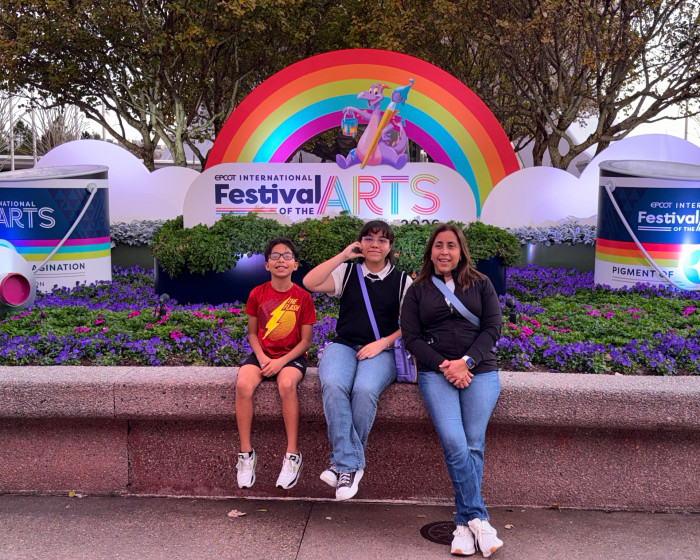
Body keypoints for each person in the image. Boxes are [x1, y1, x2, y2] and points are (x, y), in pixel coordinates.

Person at [400, 224, 503, 558]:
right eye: (439, 245)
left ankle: (462, 523)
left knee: (473, 444)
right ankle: (479, 519)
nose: (444, 252)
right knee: (455, 443)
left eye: (451, 245)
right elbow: (410, 336)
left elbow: (493, 327)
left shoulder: (481, 283)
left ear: (461, 251)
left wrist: (467, 362)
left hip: (480, 370)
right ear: (430, 251)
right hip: (436, 372)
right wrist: (445, 365)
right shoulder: (417, 289)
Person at [303, 220, 411, 501]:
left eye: (382, 240)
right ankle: (351, 465)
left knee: (364, 389)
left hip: (383, 350)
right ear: (360, 243)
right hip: (344, 345)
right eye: (369, 238)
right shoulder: (347, 272)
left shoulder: (402, 281)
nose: (375, 244)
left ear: (390, 247)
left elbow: (413, 325)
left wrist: (382, 343)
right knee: (333, 383)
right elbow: (310, 282)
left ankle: (340, 464)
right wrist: (343, 255)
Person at [235, 237, 317, 490]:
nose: (281, 259)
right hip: (263, 355)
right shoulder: (257, 293)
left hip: (292, 357)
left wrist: (280, 362)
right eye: (275, 255)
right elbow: (252, 333)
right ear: (266, 264)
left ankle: (292, 455)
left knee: (286, 385)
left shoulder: (303, 297)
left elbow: (305, 342)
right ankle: (246, 455)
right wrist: (262, 358)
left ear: (295, 265)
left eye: (287, 255)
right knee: (243, 385)